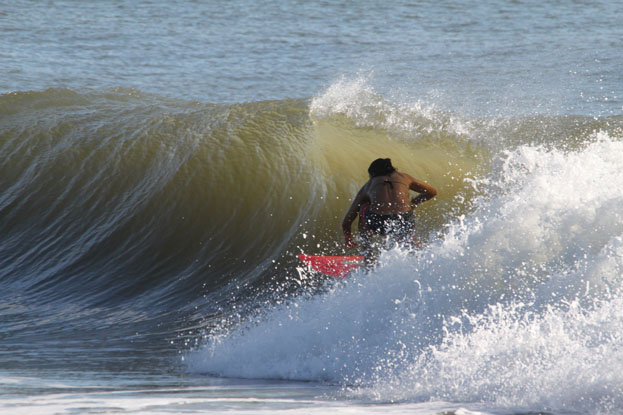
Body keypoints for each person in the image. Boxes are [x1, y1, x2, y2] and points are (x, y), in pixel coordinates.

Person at [342, 158, 437, 249]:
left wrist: (348, 238)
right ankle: (417, 250)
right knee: (406, 233)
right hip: (404, 219)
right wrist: (413, 203)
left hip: (379, 221)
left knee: (364, 207)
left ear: (373, 174)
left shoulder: (369, 185)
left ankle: (368, 255)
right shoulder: (405, 177)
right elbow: (432, 192)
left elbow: (347, 221)